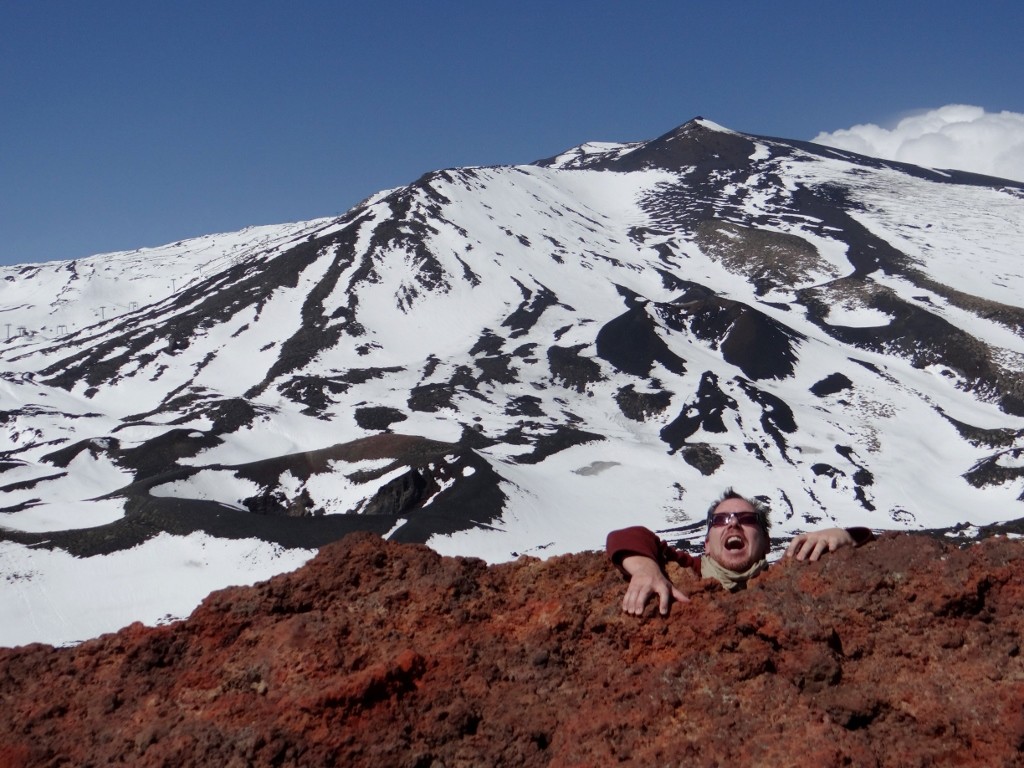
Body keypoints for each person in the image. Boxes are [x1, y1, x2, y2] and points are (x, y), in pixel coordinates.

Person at [607, 488, 874, 616]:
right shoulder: (687, 571)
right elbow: (628, 536)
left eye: (747, 519)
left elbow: (868, 541)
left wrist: (843, 536)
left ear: (767, 543)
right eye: (721, 520)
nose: (733, 523)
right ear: (707, 544)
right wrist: (645, 570)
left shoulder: (789, 575)